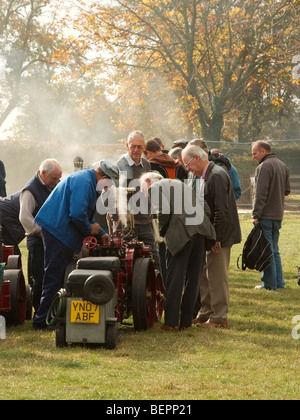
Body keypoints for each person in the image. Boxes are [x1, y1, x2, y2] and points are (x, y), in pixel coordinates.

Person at [32, 161, 117, 330]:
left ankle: (52, 316)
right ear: (104, 177)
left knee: (59, 275)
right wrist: (89, 229)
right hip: (57, 230)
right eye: (110, 182)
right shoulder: (84, 182)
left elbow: (85, 213)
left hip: (58, 229)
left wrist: (101, 232)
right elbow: (78, 215)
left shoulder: (87, 180)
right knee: (55, 276)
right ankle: (41, 321)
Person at [140, 171, 216, 331]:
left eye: (143, 189)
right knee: (193, 279)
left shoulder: (155, 188)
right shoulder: (181, 184)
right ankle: (186, 323)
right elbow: (206, 208)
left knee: (175, 278)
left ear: (148, 181)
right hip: (201, 232)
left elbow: (164, 212)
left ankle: (171, 322)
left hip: (182, 235)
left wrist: (161, 232)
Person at [182, 145, 241, 328]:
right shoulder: (206, 175)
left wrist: (216, 238)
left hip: (219, 236)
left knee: (216, 277)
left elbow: (221, 211)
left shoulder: (217, 175)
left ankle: (219, 317)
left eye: (187, 163)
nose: (187, 168)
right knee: (205, 276)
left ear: (197, 158)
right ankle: (206, 313)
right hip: (210, 235)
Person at [19, 159, 62, 313]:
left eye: (59, 179)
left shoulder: (50, 186)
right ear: (43, 173)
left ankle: (52, 311)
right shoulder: (30, 190)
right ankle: (39, 312)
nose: (57, 182)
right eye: (54, 178)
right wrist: (44, 233)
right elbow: (24, 218)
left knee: (52, 276)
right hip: (38, 242)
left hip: (50, 240)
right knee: (40, 278)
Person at [115, 131, 160, 270]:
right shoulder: (119, 165)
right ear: (127, 145)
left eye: (139, 147)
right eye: (133, 146)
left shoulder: (146, 164)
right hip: (127, 224)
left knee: (154, 259)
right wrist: (116, 217)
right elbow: (114, 195)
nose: (136, 150)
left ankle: (157, 290)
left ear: (145, 147)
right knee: (127, 263)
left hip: (145, 222)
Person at [251, 140, 290, 291]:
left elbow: (260, 194)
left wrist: (256, 214)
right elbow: (286, 191)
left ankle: (269, 284)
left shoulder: (264, 167)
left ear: (263, 151)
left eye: (255, 153)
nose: (253, 157)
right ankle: (279, 283)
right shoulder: (283, 165)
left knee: (266, 251)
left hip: (266, 215)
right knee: (274, 250)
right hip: (278, 215)